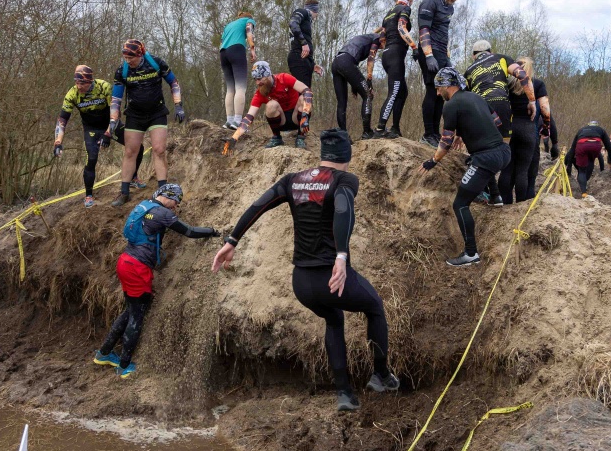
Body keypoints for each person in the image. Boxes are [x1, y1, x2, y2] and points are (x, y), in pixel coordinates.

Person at [212, 129, 399, 412]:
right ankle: (381, 375)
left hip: (301, 283)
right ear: (347, 155)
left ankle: (345, 394)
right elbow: (342, 209)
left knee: (334, 319)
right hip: (331, 278)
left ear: (323, 154)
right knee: (374, 306)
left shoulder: (294, 180)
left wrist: (232, 240)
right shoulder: (344, 180)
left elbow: (258, 205)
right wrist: (340, 255)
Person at [93, 184, 219, 377]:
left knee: (130, 310)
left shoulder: (144, 206)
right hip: (138, 268)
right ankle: (125, 366)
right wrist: (211, 231)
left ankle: (104, 353)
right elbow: (189, 231)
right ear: (167, 196)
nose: (175, 207)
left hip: (125, 261)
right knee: (136, 316)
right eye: (176, 201)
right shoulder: (162, 213)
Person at [419, 68, 511, 267]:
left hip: (487, 158)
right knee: (474, 162)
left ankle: (471, 253)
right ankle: (496, 198)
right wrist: (465, 130)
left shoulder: (451, 105)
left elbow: (445, 142)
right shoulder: (476, 97)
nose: (437, 93)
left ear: (448, 85)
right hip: (503, 152)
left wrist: (432, 161)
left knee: (459, 203)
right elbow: (496, 122)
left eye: (438, 88)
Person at [52, 65, 146, 208]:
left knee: (137, 147)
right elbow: (62, 120)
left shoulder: (104, 87)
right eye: (76, 82)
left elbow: (115, 113)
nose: (78, 86)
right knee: (91, 158)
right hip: (91, 128)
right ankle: (88, 195)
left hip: (111, 123)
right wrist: (58, 141)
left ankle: (133, 178)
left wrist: (108, 133)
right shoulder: (72, 94)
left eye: (82, 83)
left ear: (90, 81)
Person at [108, 40, 186, 207]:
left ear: (140, 54)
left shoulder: (156, 63)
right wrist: (113, 119)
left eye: (131, 58)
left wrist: (178, 105)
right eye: (125, 57)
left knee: (159, 149)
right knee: (130, 151)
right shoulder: (122, 70)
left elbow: (174, 82)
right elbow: (116, 98)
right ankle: (124, 192)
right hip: (135, 115)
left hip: (156, 112)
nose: (128, 61)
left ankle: (163, 190)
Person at [463, 40, 536, 206]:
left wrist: (459, 131)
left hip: (480, 110)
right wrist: (531, 101)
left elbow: (463, 100)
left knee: (484, 151)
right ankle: (497, 196)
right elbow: (522, 76)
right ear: (490, 51)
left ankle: (487, 190)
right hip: (502, 106)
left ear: (473, 56)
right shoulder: (501, 58)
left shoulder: (468, 71)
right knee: (503, 153)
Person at [416, 0, 466, 146]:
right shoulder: (430, 2)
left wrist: (447, 58)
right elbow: (423, 30)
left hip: (442, 53)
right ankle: (427, 133)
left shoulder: (450, 9)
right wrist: (428, 55)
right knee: (432, 91)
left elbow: (444, 34)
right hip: (429, 51)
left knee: (441, 95)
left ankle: (435, 134)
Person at [221, 61, 313, 152]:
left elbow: (307, 91)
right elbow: (248, 117)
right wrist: (235, 137)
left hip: (297, 118)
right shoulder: (260, 93)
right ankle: (277, 137)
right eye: (255, 79)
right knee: (271, 105)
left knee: (303, 98)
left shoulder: (284, 78)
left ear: (268, 75)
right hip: (281, 121)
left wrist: (305, 115)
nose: (257, 82)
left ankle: (301, 137)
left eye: (260, 78)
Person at [498, 57, 552, 204]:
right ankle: (521, 204)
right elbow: (545, 109)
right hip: (528, 129)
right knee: (522, 170)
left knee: (507, 168)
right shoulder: (538, 84)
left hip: (509, 128)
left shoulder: (506, 84)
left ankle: (505, 203)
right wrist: (546, 128)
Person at [375, 0, 417, 139]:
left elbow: (381, 37)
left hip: (387, 55)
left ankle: (395, 128)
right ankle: (380, 129)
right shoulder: (405, 8)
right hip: (395, 55)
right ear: (411, 0)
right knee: (394, 92)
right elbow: (401, 28)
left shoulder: (389, 12)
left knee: (402, 91)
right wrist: (414, 46)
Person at [331, 30, 384, 138]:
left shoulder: (367, 37)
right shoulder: (377, 39)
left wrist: (354, 87)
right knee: (368, 95)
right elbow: (371, 58)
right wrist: (369, 79)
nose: (382, 47)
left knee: (341, 102)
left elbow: (353, 69)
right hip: (347, 62)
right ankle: (367, 132)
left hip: (336, 62)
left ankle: (343, 136)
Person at [220, 12, 257, 130]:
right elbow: (249, 32)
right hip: (237, 49)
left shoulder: (229, 25)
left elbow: (222, 41)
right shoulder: (248, 20)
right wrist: (252, 50)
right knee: (241, 88)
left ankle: (228, 121)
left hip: (223, 53)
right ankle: (237, 121)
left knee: (230, 89)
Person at [564, 121, 611, 197]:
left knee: (582, 171)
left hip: (581, 146)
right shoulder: (601, 130)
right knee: (590, 162)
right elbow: (609, 148)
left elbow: (572, 149)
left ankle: (583, 192)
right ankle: (584, 184)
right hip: (595, 146)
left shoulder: (581, 130)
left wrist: (568, 166)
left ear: (588, 125)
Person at [287, 0, 324, 87]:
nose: (317, 15)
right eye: (317, 12)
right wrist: (304, 43)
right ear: (314, 10)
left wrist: (313, 64)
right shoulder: (303, 12)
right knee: (304, 95)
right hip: (298, 57)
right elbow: (293, 23)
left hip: (304, 60)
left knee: (305, 94)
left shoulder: (306, 21)